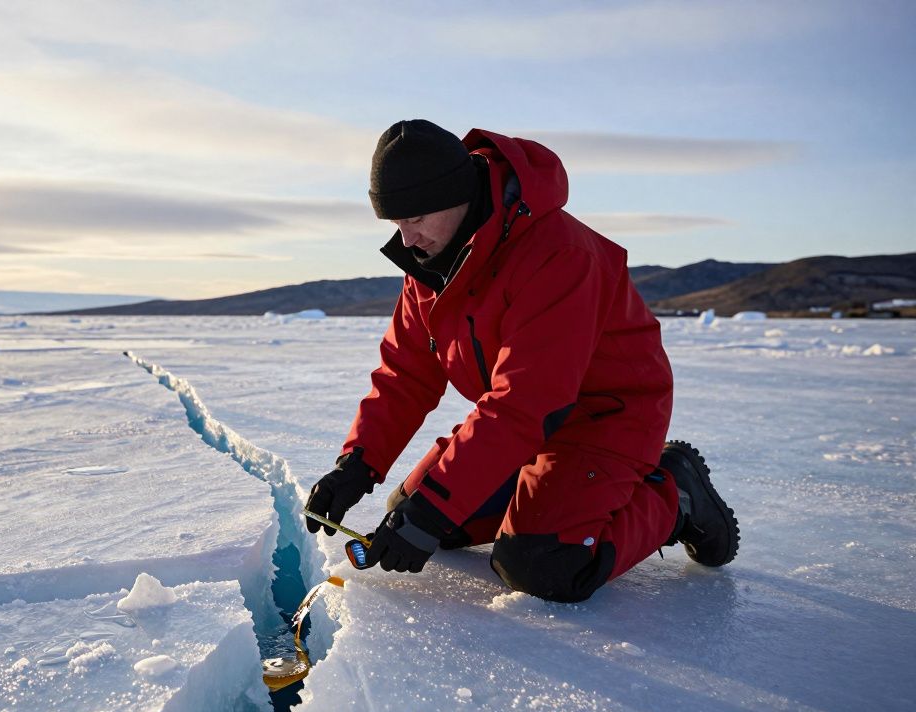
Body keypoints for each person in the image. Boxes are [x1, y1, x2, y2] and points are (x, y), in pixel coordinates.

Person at [303, 120, 739, 603]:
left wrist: (434, 512)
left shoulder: (557, 253)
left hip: (606, 418)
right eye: (396, 223)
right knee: (413, 510)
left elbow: (527, 400)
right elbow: (405, 375)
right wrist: (356, 465)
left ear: (457, 194)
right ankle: (543, 495)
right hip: (529, 425)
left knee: (539, 563)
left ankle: (674, 493)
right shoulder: (432, 266)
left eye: (417, 217)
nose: (407, 238)